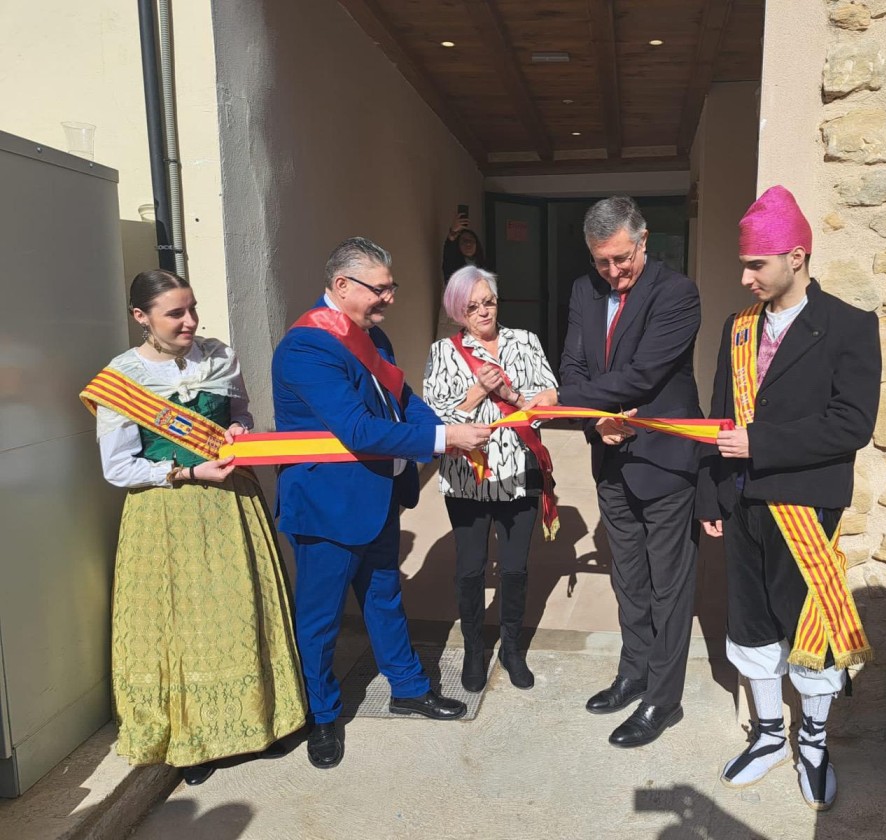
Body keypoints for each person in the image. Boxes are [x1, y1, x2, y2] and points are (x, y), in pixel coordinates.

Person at [271, 237, 492, 770]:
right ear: (342, 286)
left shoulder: (373, 336)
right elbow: (357, 428)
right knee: (320, 621)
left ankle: (408, 688)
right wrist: (445, 442)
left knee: (385, 598)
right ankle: (322, 716)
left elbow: (403, 402)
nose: (389, 299)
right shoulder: (306, 348)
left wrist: (444, 427)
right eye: (381, 288)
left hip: (375, 498)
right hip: (327, 508)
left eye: (392, 288)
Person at [80, 270, 306, 786]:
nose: (191, 321)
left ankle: (260, 723)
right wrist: (185, 471)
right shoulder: (122, 378)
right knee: (181, 625)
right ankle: (195, 739)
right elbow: (117, 468)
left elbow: (240, 415)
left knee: (242, 610)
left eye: (193, 309)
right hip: (164, 511)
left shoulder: (220, 357)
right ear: (141, 317)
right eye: (175, 313)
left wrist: (236, 431)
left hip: (230, 504)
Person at [696, 186, 881, 811]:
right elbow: (722, 417)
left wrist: (761, 444)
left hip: (804, 506)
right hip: (742, 503)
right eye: (744, 264)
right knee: (749, 623)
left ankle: (814, 741)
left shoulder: (851, 327)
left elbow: (852, 424)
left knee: (810, 628)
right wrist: (710, 497)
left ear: (796, 256)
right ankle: (770, 735)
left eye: (757, 265)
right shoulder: (737, 328)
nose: (745, 277)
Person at [532, 195, 703, 749]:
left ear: (644, 240)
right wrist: (594, 421)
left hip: (663, 459)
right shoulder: (586, 291)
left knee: (668, 583)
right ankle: (633, 673)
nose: (612, 271)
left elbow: (644, 374)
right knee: (629, 575)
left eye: (621, 259)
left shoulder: (677, 294)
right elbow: (575, 363)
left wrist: (565, 400)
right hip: (609, 453)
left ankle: (663, 698)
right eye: (602, 261)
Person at [423, 265, 559, 693]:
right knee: (470, 570)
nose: (484, 311)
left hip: (519, 472)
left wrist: (512, 395)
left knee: (516, 569)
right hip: (468, 478)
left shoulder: (525, 341)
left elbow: (548, 401)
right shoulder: (443, 351)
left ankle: (512, 649)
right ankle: (474, 648)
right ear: (457, 311)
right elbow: (436, 418)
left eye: (489, 302)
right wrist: (479, 391)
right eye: (473, 306)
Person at [443, 210, 488, 284]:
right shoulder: (453, 264)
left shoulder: (483, 266)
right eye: (464, 241)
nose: (468, 244)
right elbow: (449, 252)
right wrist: (453, 232)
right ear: (458, 246)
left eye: (471, 241)